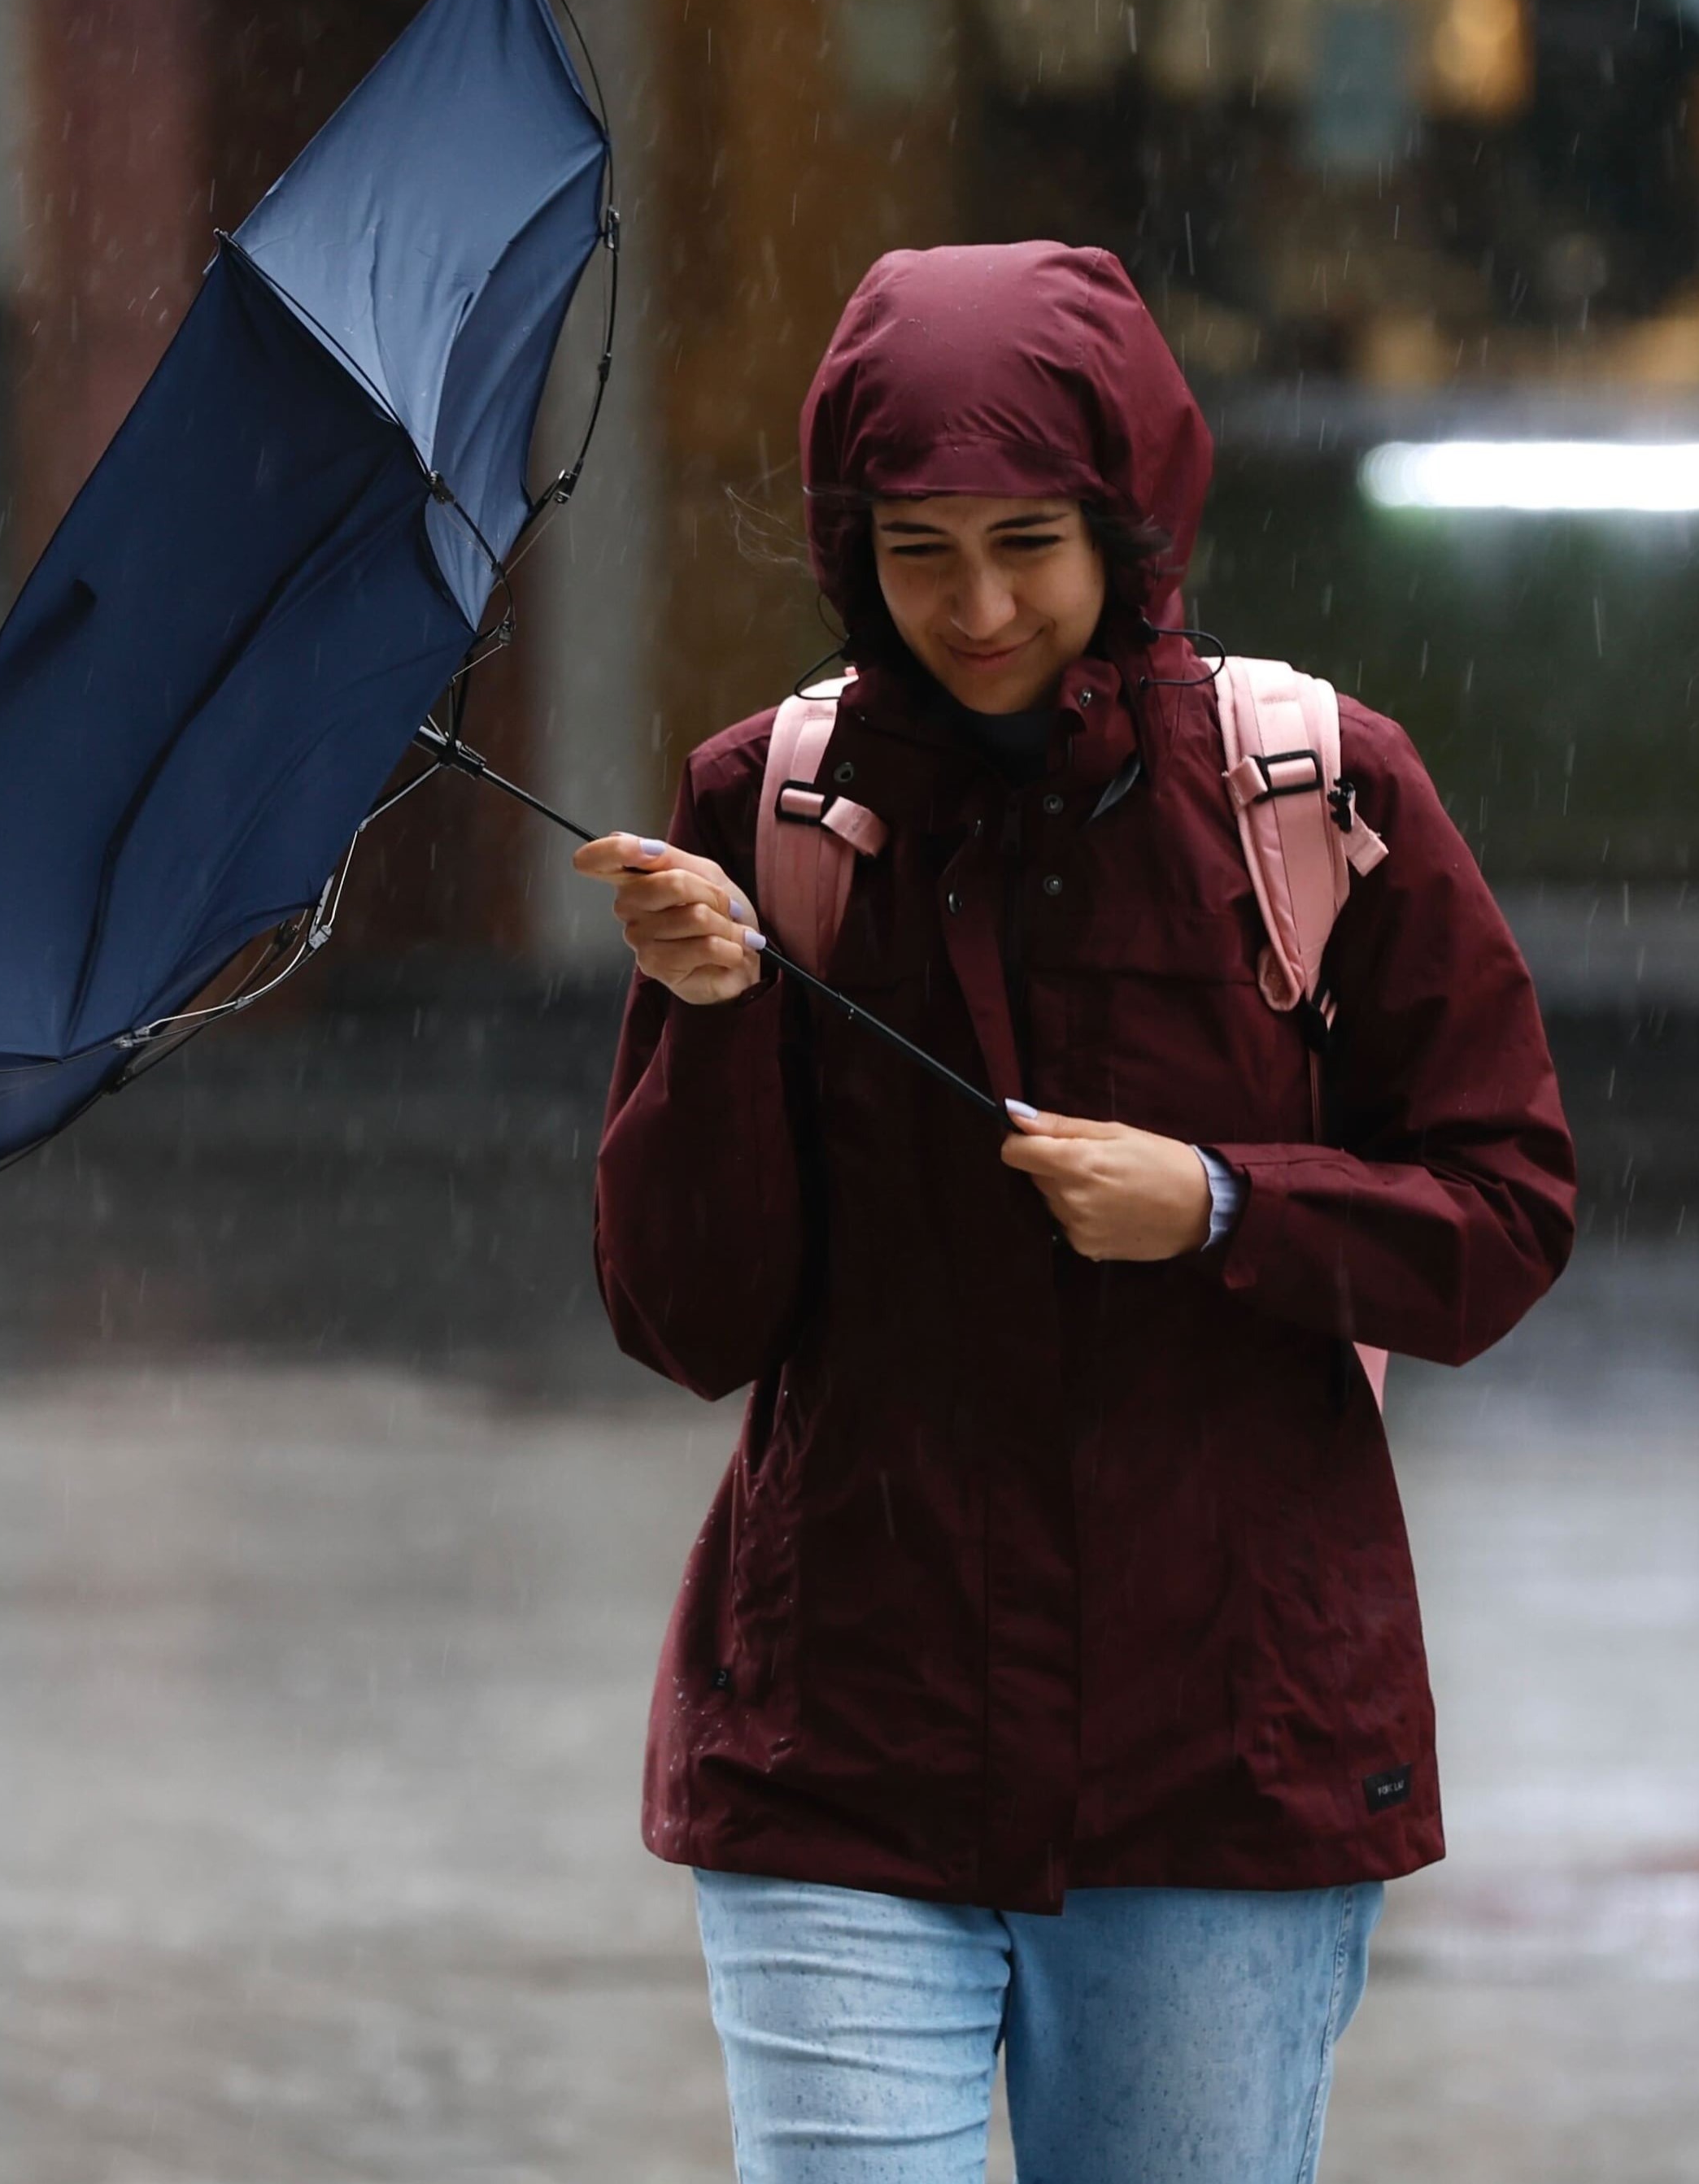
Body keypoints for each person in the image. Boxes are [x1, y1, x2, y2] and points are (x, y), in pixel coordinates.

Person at [571, 241, 1577, 2184]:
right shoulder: (770, 809)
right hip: (843, 1734)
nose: (976, 606)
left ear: (1127, 522)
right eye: (918, 550)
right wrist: (709, 1025)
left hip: (1220, 1748)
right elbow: (690, 1316)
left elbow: (1504, 1203)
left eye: (1027, 542)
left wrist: (1221, 1205)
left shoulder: (1314, 792)